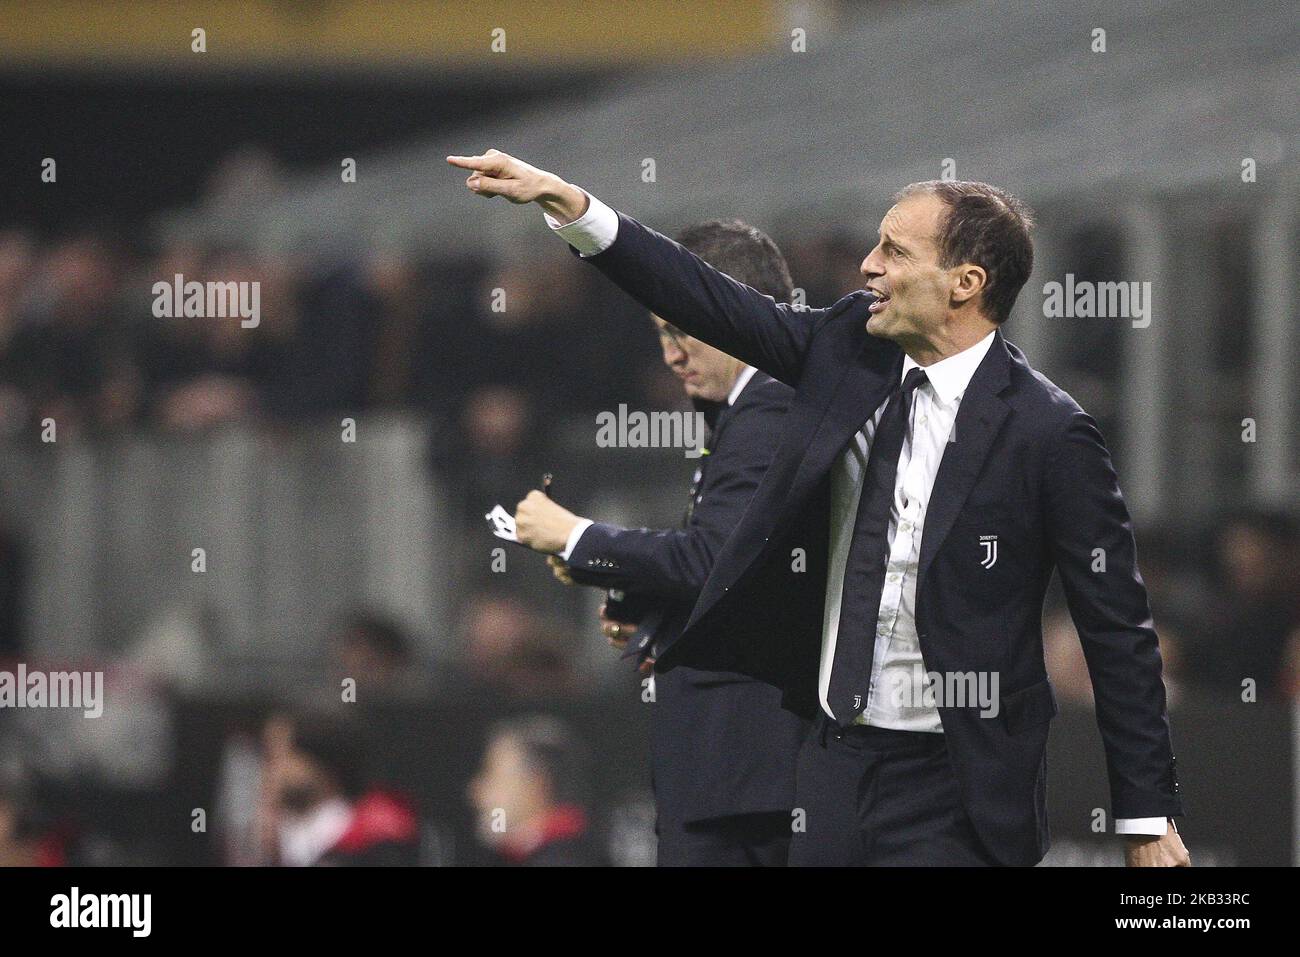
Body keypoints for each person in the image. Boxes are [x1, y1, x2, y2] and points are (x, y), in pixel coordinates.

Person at [445, 149, 1189, 867]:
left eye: (895, 251)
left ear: (964, 282)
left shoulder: (1048, 430)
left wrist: (1146, 814)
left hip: (955, 785)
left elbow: (1117, 629)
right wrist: (573, 207)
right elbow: (704, 297)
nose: (869, 265)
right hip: (832, 763)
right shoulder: (846, 349)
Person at [511, 220, 809, 866]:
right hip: (738, 776)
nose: (671, 355)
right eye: (661, 335)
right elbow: (748, 572)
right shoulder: (748, 409)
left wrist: (579, 534)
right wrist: (661, 623)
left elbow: (712, 558)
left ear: (736, 309)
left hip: (743, 775)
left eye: (680, 329)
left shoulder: (770, 408)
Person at [467, 715, 606, 866]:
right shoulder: (521, 855)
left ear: (535, 785)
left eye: (492, 775)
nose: (476, 793)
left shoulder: (565, 859)